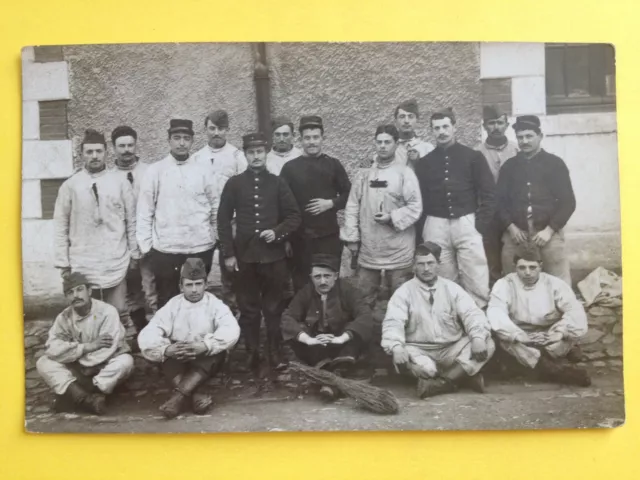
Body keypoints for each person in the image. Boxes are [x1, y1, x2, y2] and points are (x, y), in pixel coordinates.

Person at [218, 132, 301, 374]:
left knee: (274, 308)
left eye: (260, 152)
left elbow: (294, 216)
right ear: (245, 155)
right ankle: (252, 352)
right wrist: (228, 254)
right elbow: (223, 220)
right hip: (245, 258)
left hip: (273, 259)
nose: (256, 156)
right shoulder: (234, 184)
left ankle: (275, 351)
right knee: (248, 308)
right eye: (251, 152)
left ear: (266, 154)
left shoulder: (277, 183)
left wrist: (277, 233)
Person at [381, 242, 495, 398]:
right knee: (413, 364)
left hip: (451, 348)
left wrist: (478, 337)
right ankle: (461, 378)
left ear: (438, 265)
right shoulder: (404, 292)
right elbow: (393, 322)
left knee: (487, 343)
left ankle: (442, 383)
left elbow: (472, 314)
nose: (426, 269)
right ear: (414, 266)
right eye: (421, 264)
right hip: (419, 349)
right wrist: (396, 346)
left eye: (430, 263)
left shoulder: (451, 288)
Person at [54, 129, 139, 323]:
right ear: (82, 154)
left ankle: (119, 346)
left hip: (115, 258)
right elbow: (61, 225)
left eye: (99, 151)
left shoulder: (120, 182)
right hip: (83, 260)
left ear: (106, 152)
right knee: (86, 312)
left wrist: (134, 254)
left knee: (119, 310)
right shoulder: (70, 186)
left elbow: (131, 221)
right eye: (89, 152)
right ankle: (91, 348)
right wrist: (63, 262)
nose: (94, 156)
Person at [138, 258, 240, 419]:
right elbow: (148, 334)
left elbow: (231, 330)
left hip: (204, 359)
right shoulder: (172, 306)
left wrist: (205, 345)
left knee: (216, 353)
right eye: (189, 285)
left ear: (206, 285)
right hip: (179, 358)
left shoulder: (215, 305)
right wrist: (168, 349)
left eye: (198, 284)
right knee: (165, 357)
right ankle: (195, 396)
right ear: (181, 287)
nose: (194, 290)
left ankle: (177, 398)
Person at [414, 108, 496, 308]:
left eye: (445, 127)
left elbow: (488, 193)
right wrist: (424, 229)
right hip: (436, 224)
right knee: (443, 275)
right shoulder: (424, 163)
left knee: (475, 274)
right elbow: (420, 199)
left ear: (454, 127)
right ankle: (450, 318)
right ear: (431, 131)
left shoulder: (473, 157)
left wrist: (480, 225)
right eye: (436, 128)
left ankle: (480, 317)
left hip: (466, 222)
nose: (441, 132)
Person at [137, 119, 218, 309]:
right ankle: (171, 337)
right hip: (167, 250)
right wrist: (147, 247)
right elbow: (145, 211)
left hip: (199, 247)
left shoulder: (204, 170)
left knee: (197, 296)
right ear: (169, 140)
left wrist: (214, 238)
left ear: (192, 141)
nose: (181, 143)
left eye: (186, 138)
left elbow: (215, 206)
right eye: (177, 138)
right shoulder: (155, 171)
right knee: (168, 299)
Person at [342, 124, 422, 316]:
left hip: (399, 249)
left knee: (402, 300)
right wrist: (352, 238)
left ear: (396, 144)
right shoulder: (364, 174)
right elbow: (352, 206)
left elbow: (415, 207)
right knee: (364, 298)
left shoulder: (405, 173)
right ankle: (365, 338)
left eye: (388, 142)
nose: (383, 146)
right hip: (370, 248)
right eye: (379, 142)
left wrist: (392, 217)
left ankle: (398, 339)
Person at [487, 250, 590, 386]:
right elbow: (496, 311)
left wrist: (560, 333)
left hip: (549, 334)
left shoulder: (555, 284)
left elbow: (574, 310)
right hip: (521, 336)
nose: (528, 272)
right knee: (508, 341)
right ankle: (557, 371)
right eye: (522, 268)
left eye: (533, 267)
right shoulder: (505, 284)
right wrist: (518, 335)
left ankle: (533, 366)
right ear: (514, 267)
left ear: (540, 266)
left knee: (568, 337)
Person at [36, 272, 134, 415]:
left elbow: (108, 348)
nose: (75, 295)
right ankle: (86, 399)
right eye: (70, 292)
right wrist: (88, 347)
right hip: (78, 368)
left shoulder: (107, 312)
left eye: (80, 289)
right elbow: (52, 348)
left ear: (89, 291)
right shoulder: (64, 317)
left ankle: (74, 395)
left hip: (102, 366)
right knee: (43, 362)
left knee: (125, 362)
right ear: (66, 297)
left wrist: (74, 356)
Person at [497, 115, 576, 285]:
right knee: (512, 280)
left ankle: (562, 310)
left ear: (540, 136)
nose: (524, 141)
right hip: (516, 232)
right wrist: (511, 228)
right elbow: (499, 202)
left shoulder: (555, 164)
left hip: (548, 231)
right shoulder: (509, 167)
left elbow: (568, 202)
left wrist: (549, 230)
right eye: (520, 137)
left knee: (558, 281)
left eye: (529, 136)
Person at [282, 254, 373, 400]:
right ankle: (333, 377)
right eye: (317, 277)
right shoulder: (305, 292)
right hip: (317, 344)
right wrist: (308, 340)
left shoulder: (348, 290)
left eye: (327, 276)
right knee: (297, 332)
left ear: (336, 276)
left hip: (342, 343)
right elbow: (288, 317)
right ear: (311, 277)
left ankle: (332, 378)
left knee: (357, 330)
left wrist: (342, 338)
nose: (322, 281)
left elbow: (365, 315)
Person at [280, 115, 352, 291]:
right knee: (302, 284)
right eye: (307, 138)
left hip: (328, 237)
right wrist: (286, 239)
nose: (311, 142)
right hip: (300, 239)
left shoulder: (333, 165)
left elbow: (350, 195)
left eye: (315, 137)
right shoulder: (290, 168)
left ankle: (330, 316)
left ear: (322, 138)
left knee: (328, 281)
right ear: (300, 139)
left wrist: (331, 203)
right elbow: (282, 206)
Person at [192, 110, 247, 313]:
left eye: (221, 129)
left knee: (230, 274)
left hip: (230, 223)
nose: (216, 133)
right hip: (204, 223)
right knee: (201, 271)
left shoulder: (237, 157)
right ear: (205, 130)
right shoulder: (197, 158)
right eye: (212, 129)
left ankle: (233, 315)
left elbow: (243, 191)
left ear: (227, 130)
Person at [111, 125, 157, 339]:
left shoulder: (149, 171)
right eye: (121, 146)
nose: (126, 150)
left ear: (136, 145)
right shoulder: (109, 177)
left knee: (152, 289)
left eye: (130, 145)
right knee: (131, 292)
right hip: (122, 245)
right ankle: (141, 332)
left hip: (148, 241)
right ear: (113, 148)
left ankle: (159, 333)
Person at [476, 106, 519, 285]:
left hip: (513, 213)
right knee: (490, 256)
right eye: (491, 123)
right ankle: (494, 292)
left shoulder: (517, 150)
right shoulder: (476, 153)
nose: (496, 127)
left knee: (514, 256)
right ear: (484, 126)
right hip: (489, 214)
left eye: (500, 123)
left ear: (507, 125)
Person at [371, 99, 434, 168]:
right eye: (402, 116)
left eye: (410, 116)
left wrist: (419, 161)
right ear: (396, 120)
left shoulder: (427, 149)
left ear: (417, 120)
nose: (406, 121)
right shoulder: (387, 148)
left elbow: (434, 175)